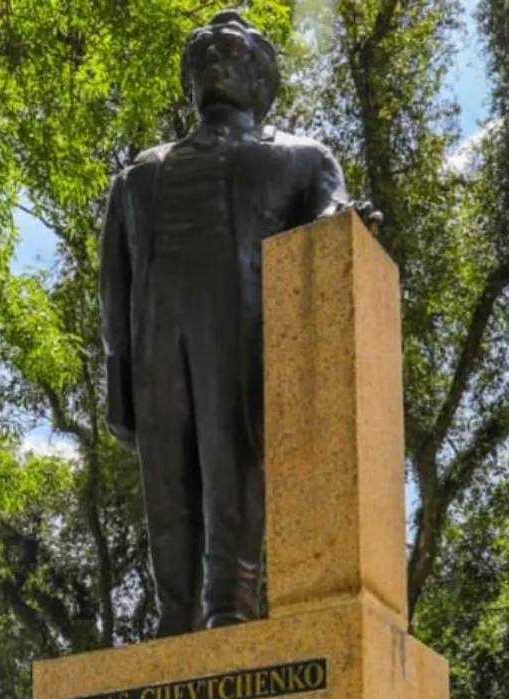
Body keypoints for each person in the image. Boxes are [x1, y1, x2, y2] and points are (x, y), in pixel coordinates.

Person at [99, 11, 371, 636]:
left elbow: (332, 214)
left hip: (241, 332)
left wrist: (347, 217)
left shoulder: (303, 159)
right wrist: (119, 379)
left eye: (230, 53)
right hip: (156, 341)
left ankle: (230, 605)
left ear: (261, 74)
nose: (214, 64)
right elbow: (114, 280)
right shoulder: (140, 173)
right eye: (202, 56)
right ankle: (174, 614)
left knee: (231, 461)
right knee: (166, 479)